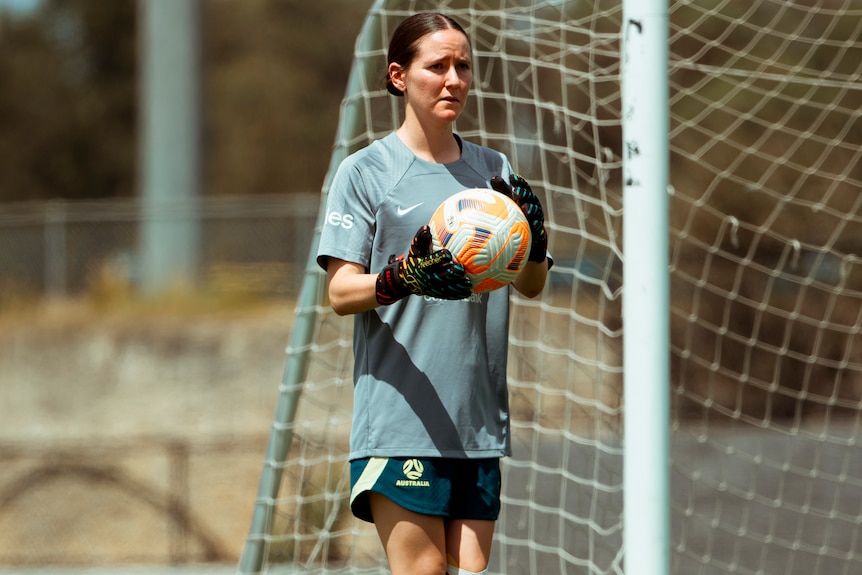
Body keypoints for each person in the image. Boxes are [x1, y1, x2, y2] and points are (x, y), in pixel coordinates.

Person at [316, 12, 551, 575]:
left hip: (477, 424)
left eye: (463, 67)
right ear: (399, 76)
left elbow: (533, 285)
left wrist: (536, 243)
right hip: (401, 421)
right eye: (437, 66)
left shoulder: (493, 172)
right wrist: (403, 278)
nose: (453, 80)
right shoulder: (366, 172)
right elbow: (341, 293)